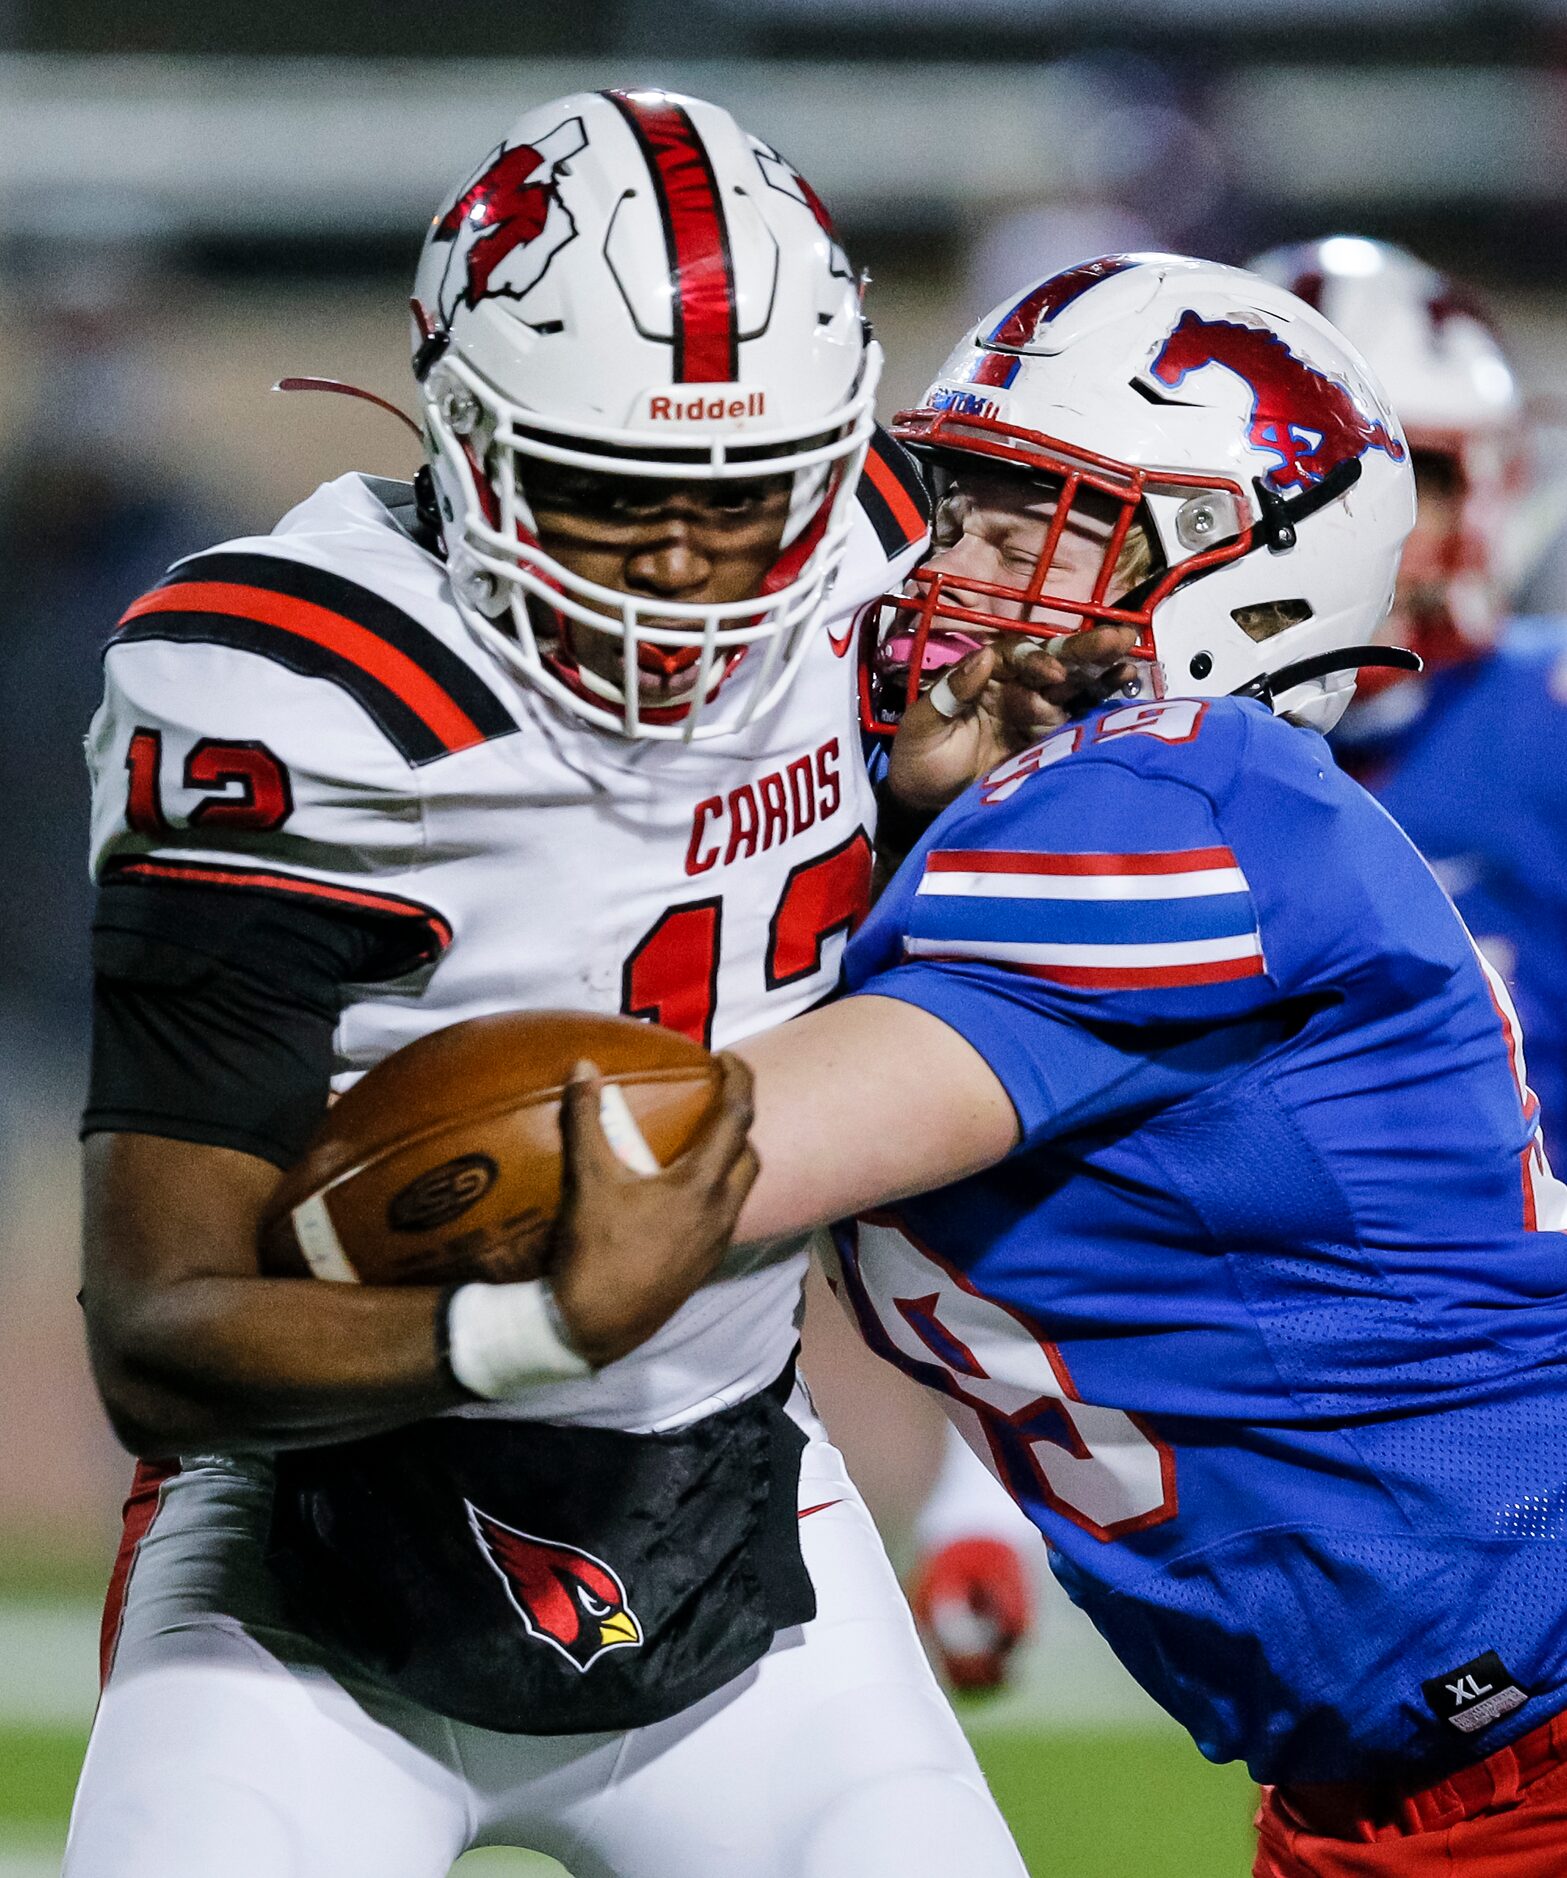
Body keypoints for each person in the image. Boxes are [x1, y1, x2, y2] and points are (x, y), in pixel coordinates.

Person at [67, 90, 1129, 1878]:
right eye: (610, 495)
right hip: (308, 1575)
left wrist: (946, 777)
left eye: (741, 500)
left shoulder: (878, 557)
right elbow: (162, 1337)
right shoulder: (295, 701)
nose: (681, 565)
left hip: (736, 1511)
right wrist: (541, 1321)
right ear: (458, 426)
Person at [681, 252, 1567, 1875]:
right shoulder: (1031, 826)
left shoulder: (1178, 781)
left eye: (1026, 530)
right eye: (951, 515)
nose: (942, 577)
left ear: (1241, 580)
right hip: (1400, 1771)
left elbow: (693, 1171)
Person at [1249, 236, 1567, 1163]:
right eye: (1294, 486)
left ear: (1487, 492)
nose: (1344, 535)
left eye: (1405, 484)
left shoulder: (1542, 724)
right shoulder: (1116, 740)